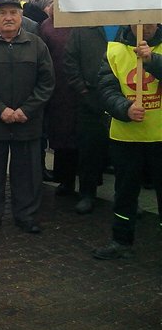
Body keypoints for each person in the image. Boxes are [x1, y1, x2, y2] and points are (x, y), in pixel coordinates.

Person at [0, 0, 55, 234]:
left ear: (21, 16)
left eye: (13, 13)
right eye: (3, 13)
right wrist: (0, 110)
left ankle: (26, 216)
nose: (8, 18)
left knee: (27, 174)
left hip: (27, 122)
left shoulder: (37, 45)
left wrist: (27, 109)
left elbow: (47, 83)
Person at [92, 23, 162, 260]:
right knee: (124, 193)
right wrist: (125, 108)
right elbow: (106, 89)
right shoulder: (114, 50)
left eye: (151, 20)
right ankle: (121, 241)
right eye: (141, 20)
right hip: (126, 136)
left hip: (160, 136)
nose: (146, 25)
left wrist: (152, 60)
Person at [64, 25, 115, 214]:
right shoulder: (82, 28)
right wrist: (82, 89)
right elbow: (70, 60)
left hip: (125, 96)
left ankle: (127, 197)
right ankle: (87, 193)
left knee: (126, 153)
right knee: (89, 150)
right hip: (91, 96)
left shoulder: (130, 27)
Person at [38, 0, 78, 196]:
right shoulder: (47, 27)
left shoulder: (83, 23)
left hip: (81, 90)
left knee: (82, 138)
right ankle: (65, 180)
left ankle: (87, 182)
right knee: (62, 138)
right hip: (57, 91)